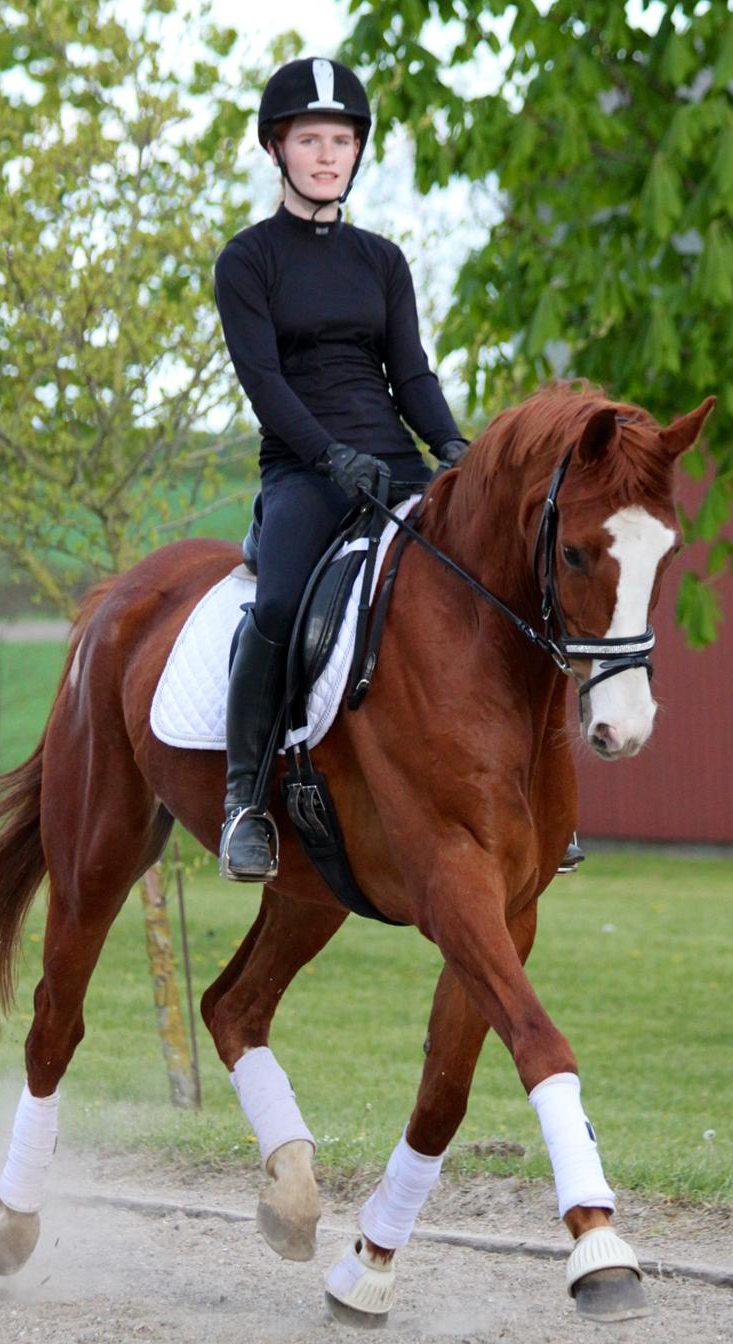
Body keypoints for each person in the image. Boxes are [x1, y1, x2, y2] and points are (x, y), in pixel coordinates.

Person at [213, 56, 468, 881]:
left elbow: (411, 373)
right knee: (281, 602)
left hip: (396, 463)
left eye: (342, 140)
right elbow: (264, 384)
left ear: (357, 152)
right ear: (276, 148)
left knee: (496, 581)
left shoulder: (381, 260)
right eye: (310, 139)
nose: (327, 154)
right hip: (304, 470)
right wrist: (328, 456)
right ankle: (245, 800)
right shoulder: (248, 261)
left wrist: (456, 450)